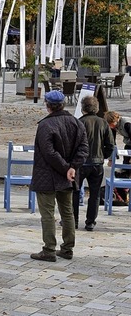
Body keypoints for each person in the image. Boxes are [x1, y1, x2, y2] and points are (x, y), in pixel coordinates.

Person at [30, 90, 88, 262]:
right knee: (67, 212)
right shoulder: (76, 123)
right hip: (66, 176)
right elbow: (84, 149)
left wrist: (67, 168)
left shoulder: (45, 125)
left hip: (48, 176)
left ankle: (49, 249)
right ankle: (67, 248)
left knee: (48, 214)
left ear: (48, 105)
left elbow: (49, 153)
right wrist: (72, 168)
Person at [74, 96, 114, 231]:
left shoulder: (79, 122)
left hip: (81, 163)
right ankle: (90, 221)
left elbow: (73, 144)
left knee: (75, 191)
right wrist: (103, 156)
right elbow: (110, 145)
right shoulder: (103, 123)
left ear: (83, 108)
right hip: (97, 163)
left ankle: (73, 220)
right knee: (95, 194)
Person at [104, 111, 131, 204]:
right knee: (125, 168)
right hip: (128, 144)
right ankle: (124, 192)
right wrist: (111, 159)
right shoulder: (114, 126)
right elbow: (112, 142)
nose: (111, 126)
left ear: (115, 120)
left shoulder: (126, 123)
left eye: (111, 124)